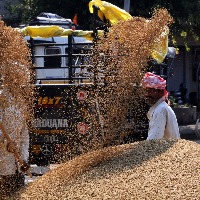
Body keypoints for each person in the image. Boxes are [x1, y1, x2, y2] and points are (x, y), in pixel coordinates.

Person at [0, 89, 30, 197]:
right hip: (3, 163)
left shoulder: (21, 104)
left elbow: (24, 135)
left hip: (19, 164)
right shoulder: (2, 100)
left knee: (20, 194)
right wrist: (5, 143)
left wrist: (24, 158)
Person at [141, 72, 180, 140]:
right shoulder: (161, 107)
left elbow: (154, 139)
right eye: (146, 91)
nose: (147, 94)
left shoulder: (160, 109)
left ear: (160, 92)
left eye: (151, 91)